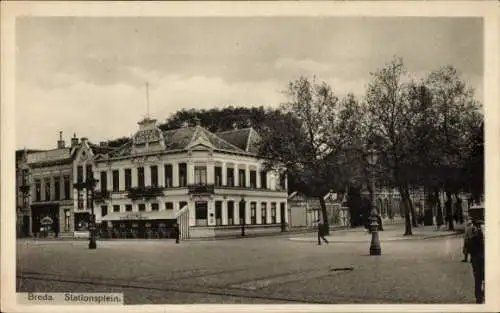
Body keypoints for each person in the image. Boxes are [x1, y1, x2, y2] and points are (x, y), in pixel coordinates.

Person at [467, 215, 485, 304]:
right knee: (484, 277)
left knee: (478, 278)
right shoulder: (486, 229)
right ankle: (482, 295)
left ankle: (479, 297)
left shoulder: (470, 230)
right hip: (483, 257)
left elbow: (468, 245)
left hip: (476, 258)